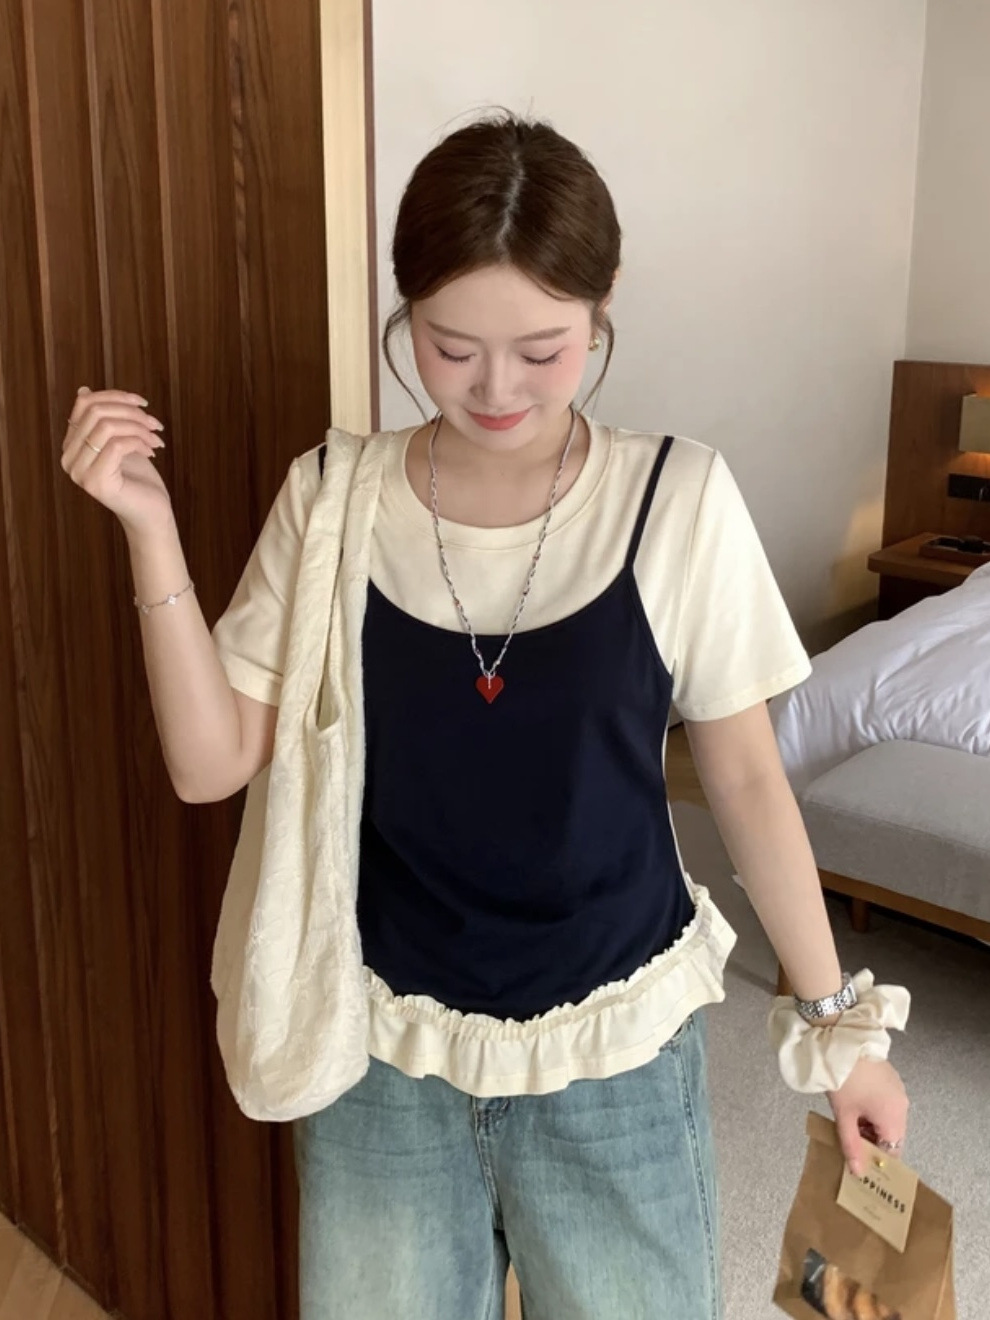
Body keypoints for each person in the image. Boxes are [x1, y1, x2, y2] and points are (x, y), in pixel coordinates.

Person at [60, 112, 910, 1320]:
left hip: (614, 1057)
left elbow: (746, 781)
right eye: (451, 348)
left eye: (542, 350)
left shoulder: (676, 497)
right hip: (383, 1056)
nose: (496, 389)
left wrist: (840, 1035)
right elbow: (210, 766)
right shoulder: (332, 498)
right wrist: (150, 530)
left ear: (603, 306)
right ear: (406, 310)